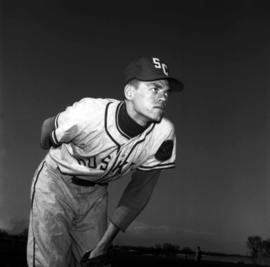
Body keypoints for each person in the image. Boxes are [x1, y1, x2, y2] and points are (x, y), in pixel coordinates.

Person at [27, 56, 184, 267]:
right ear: (130, 92)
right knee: (50, 263)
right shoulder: (89, 115)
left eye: (166, 92)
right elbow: (47, 129)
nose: (163, 97)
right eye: (155, 89)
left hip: (96, 195)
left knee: (95, 261)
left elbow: (139, 191)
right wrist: (60, 152)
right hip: (55, 184)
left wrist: (104, 243)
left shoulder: (163, 133)